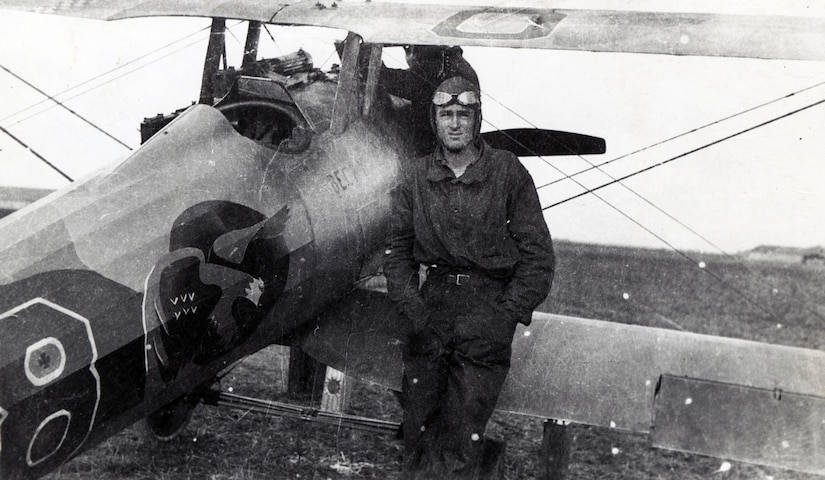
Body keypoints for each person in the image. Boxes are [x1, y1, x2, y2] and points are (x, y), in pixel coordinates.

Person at [383, 75, 556, 479]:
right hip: (432, 310)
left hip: (485, 316)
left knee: (460, 447)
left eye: (464, 114)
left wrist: (504, 316)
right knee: (416, 439)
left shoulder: (507, 173)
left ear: (478, 120)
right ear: (434, 120)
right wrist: (414, 310)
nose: (455, 123)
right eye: (447, 114)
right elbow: (396, 254)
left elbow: (538, 258)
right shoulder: (415, 176)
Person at [381, 45, 479, 155]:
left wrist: (376, 65)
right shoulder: (454, 63)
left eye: (408, 49)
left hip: (438, 151)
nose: (408, 58)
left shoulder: (437, 68)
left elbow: (403, 82)